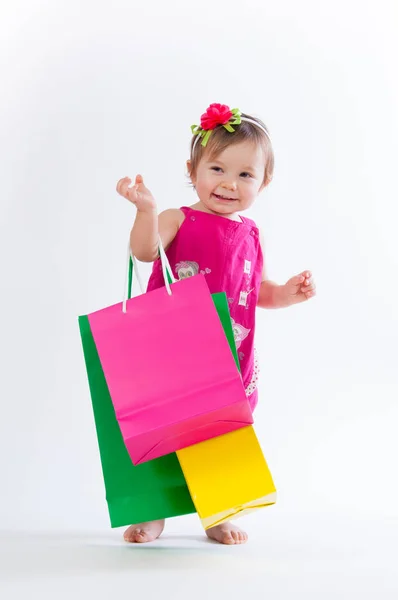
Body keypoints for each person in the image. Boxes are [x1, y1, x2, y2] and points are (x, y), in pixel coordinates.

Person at [116, 103, 316, 545]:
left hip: (229, 354)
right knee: (159, 427)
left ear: (264, 182)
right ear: (193, 170)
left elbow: (257, 290)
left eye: (246, 175)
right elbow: (145, 252)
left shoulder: (252, 234)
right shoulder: (177, 219)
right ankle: (154, 510)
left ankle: (218, 512)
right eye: (217, 168)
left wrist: (285, 294)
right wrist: (145, 211)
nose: (229, 183)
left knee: (221, 433)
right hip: (170, 348)